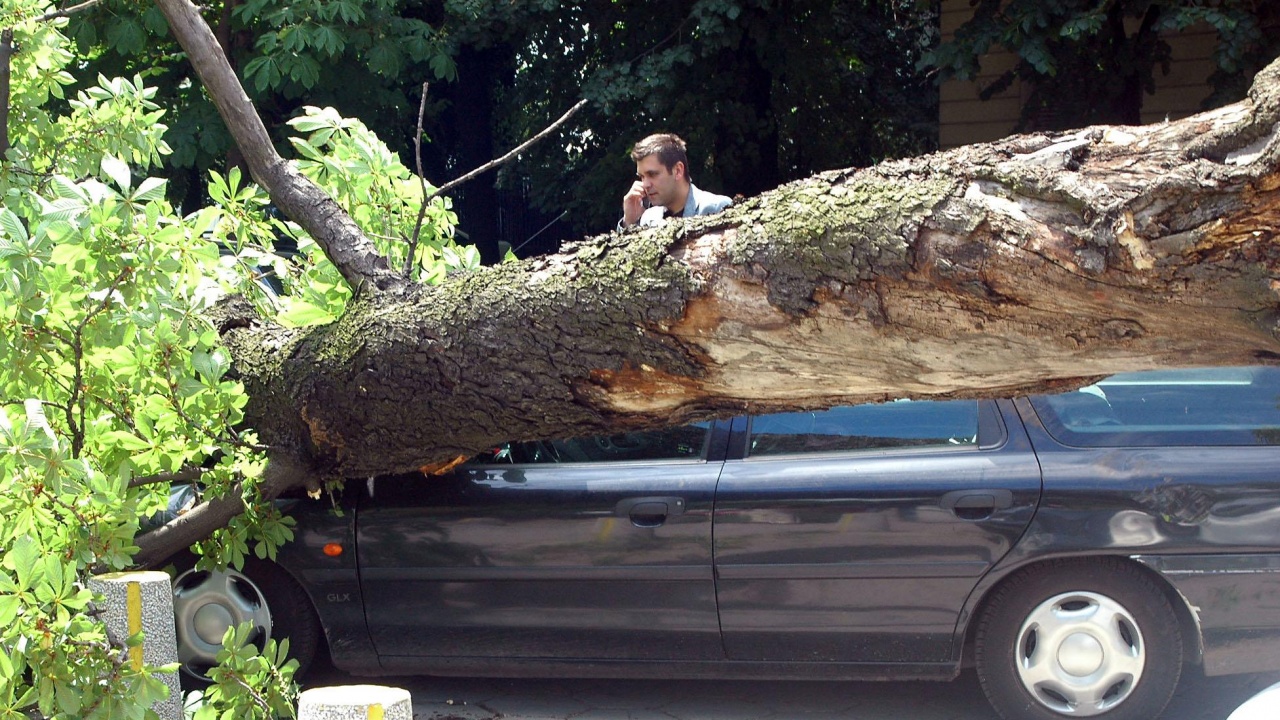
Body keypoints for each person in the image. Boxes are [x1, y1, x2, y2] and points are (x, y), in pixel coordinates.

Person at [619, 133, 731, 229]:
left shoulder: (718, 208)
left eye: (652, 174)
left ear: (678, 171)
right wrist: (629, 222)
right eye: (642, 177)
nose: (645, 184)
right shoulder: (648, 219)